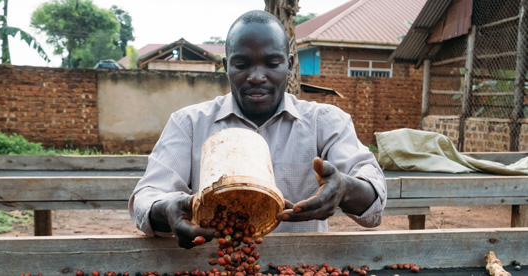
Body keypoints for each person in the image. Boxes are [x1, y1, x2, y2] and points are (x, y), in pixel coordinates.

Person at [129, 10, 386, 249]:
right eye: (241, 65)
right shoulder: (190, 124)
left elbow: (372, 196)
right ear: (226, 65)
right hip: (214, 266)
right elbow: (147, 197)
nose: (256, 77)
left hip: (301, 266)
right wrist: (167, 209)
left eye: (272, 64)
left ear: (290, 64)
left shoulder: (325, 121)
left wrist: (345, 188)